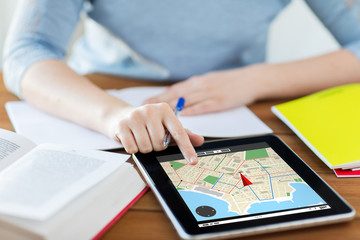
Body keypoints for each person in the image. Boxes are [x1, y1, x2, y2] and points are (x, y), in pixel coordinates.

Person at [3, 0, 360, 165]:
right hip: (95, 98)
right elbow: (25, 51)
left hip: (237, 110)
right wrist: (114, 116)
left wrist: (256, 79)